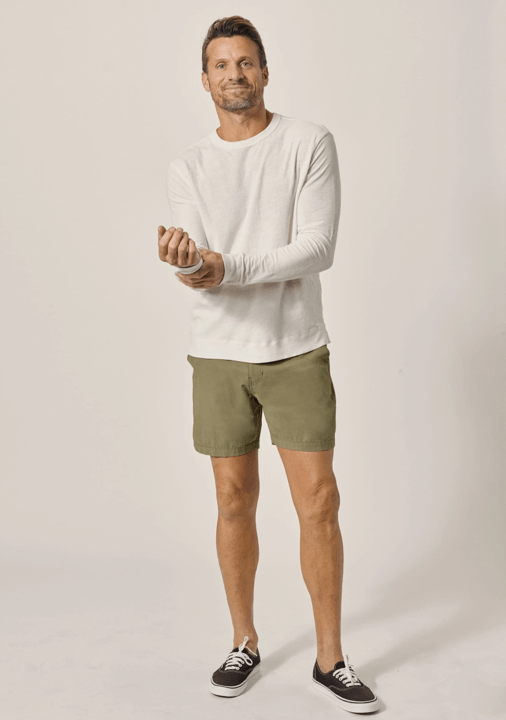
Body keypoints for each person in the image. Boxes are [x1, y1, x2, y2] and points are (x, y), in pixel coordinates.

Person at [157, 15, 380, 714]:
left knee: (320, 501)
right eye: (221, 65)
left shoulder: (308, 142)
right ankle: (243, 642)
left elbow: (317, 247)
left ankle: (330, 657)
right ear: (204, 80)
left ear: (265, 71)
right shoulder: (188, 165)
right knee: (233, 500)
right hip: (218, 351)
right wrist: (185, 264)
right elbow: (201, 266)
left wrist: (225, 267)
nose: (235, 75)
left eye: (246, 62)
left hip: (295, 347)